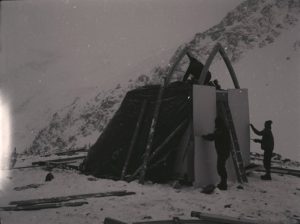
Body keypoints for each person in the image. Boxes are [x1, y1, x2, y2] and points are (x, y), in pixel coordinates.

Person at [202, 117, 231, 190]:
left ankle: (224, 184)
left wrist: (205, 137)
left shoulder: (221, 130)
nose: (215, 124)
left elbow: (214, 136)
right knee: (221, 167)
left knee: (220, 168)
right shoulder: (223, 129)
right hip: (224, 151)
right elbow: (215, 135)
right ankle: (223, 183)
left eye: (216, 122)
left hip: (223, 152)